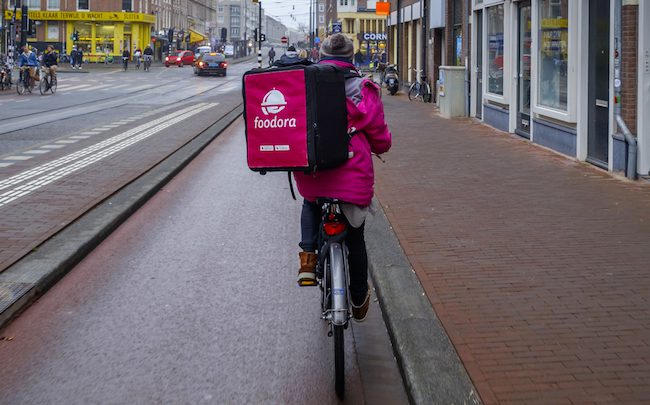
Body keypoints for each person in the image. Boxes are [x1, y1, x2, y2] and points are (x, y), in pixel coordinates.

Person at [293, 34, 392, 322]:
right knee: (356, 237)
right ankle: (359, 297)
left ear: (321, 55)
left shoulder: (305, 86)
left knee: (311, 203)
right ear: (352, 58)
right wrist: (381, 145)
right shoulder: (365, 88)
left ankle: (308, 261)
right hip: (354, 177)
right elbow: (380, 139)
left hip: (314, 173)